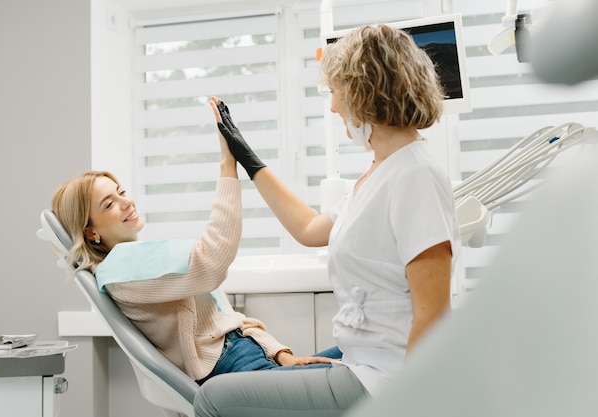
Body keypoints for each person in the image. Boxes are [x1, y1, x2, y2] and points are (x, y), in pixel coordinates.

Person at [194, 23, 461, 416]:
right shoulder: (381, 172)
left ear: (365, 91)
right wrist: (243, 154)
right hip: (364, 362)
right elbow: (308, 229)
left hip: (385, 381)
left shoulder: (415, 176)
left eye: (336, 91)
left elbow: (433, 315)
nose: (333, 106)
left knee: (212, 400)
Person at [50, 99, 336, 385]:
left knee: (368, 354)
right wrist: (228, 164)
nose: (127, 202)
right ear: (90, 232)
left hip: (253, 356)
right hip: (231, 367)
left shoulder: (144, 261)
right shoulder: (119, 269)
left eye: (122, 191)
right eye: (110, 204)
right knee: (366, 370)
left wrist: (281, 355)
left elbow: (228, 319)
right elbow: (211, 260)